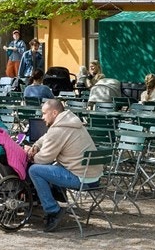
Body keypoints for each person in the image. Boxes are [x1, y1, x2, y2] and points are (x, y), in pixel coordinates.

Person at [25, 99, 102, 233]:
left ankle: (52, 210)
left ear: (54, 113)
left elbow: (43, 160)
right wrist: (36, 145)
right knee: (54, 165)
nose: (42, 117)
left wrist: (29, 155)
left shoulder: (58, 130)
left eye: (44, 113)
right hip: (94, 177)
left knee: (35, 170)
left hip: (81, 179)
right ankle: (57, 195)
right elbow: (46, 137)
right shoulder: (70, 122)